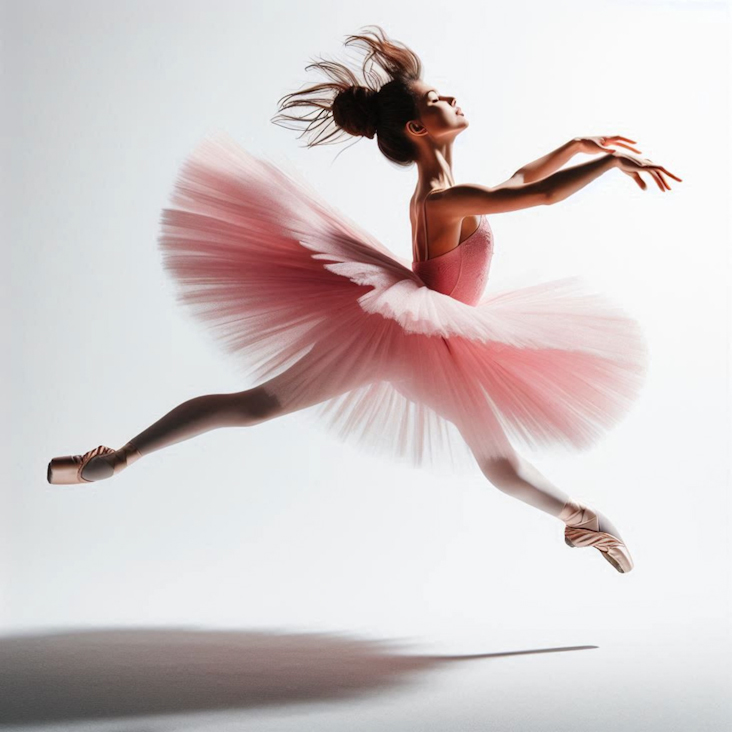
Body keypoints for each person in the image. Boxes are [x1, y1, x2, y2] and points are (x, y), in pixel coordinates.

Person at [47, 25, 681, 573]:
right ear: (416, 127)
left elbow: (521, 181)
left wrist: (578, 147)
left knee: (259, 404)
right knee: (496, 459)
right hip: (418, 344)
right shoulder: (442, 200)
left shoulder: (446, 189)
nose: (452, 97)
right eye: (437, 99)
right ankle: (580, 516)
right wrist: (609, 168)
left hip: (415, 341)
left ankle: (119, 458)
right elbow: (534, 198)